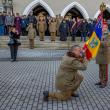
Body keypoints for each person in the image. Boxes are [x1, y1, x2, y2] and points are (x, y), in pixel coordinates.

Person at [95, 19, 110, 88]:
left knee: (104, 69)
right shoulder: (99, 33)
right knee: (100, 68)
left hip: (104, 53)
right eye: (102, 27)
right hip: (99, 53)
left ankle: (104, 81)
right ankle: (101, 80)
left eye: (104, 27)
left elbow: (107, 44)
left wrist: (99, 41)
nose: (103, 28)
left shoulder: (108, 34)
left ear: (106, 27)